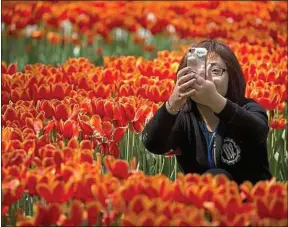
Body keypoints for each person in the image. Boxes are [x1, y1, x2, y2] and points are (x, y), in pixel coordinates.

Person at [142, 39, 272, 184]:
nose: (205, 78)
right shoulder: (184, 117)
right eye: (197, 71)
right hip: (199, 201)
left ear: (232, 76)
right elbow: (153, 144)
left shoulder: (248, 108)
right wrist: (174, 102)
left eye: (215, 71)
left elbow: (258, 132)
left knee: (217, 177)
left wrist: (213, 100)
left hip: (249, 201)